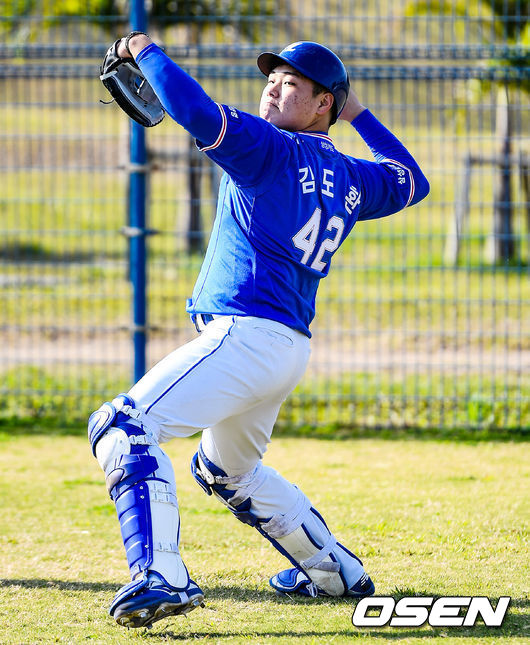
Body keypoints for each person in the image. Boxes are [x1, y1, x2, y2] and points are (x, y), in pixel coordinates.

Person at [88, 34, 430, 629]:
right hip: (287, 348)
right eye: (271, 78)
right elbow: (411, 180)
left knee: (122, 426)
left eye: (291, 83)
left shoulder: (269, 149)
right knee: (227, 470)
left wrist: (145, 50)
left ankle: (161, 575)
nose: (273, 87)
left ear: (321, 104)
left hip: (245, 336)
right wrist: (358, 115)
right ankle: (334, 571)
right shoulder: (349, 177)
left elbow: (194, 111)